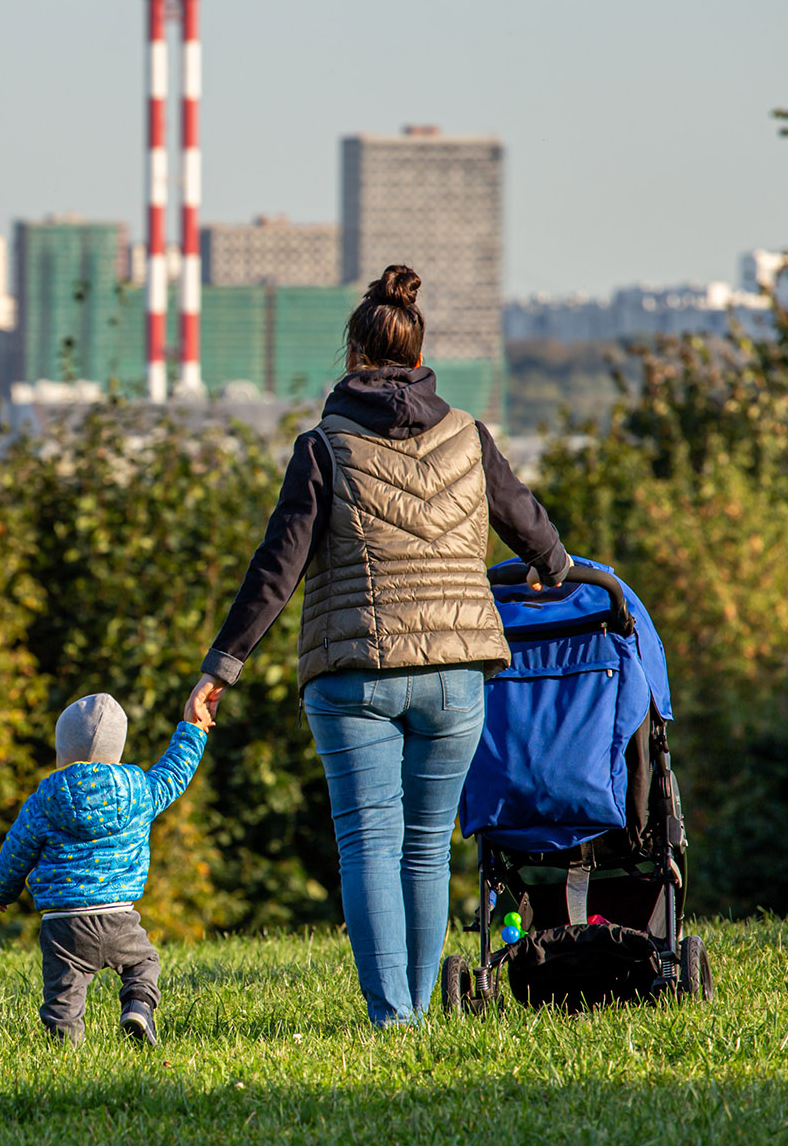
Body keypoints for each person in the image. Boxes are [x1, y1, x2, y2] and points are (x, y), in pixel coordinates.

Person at [184, 265, 570, 1027]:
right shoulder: (470, 435)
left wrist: (220, 667)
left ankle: (393, 1018)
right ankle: (416, 1016)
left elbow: (277, 567)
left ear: (354, 356)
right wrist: (551, 570)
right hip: (457, 676)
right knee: (427, 851)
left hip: (354, 672)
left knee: (368, 845)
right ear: (418, 350)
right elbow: (534, 530)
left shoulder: (324, 448)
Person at [0, 692, 209, 1046]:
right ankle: (137, 1006)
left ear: (63, 751)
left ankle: (64, 1049)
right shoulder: (139, 791)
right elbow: (174, 772)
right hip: (119, 918)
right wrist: (193, 728)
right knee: (144, 964)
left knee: (63, 997)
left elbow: (16, 850)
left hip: (63, 926)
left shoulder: (44, 800)